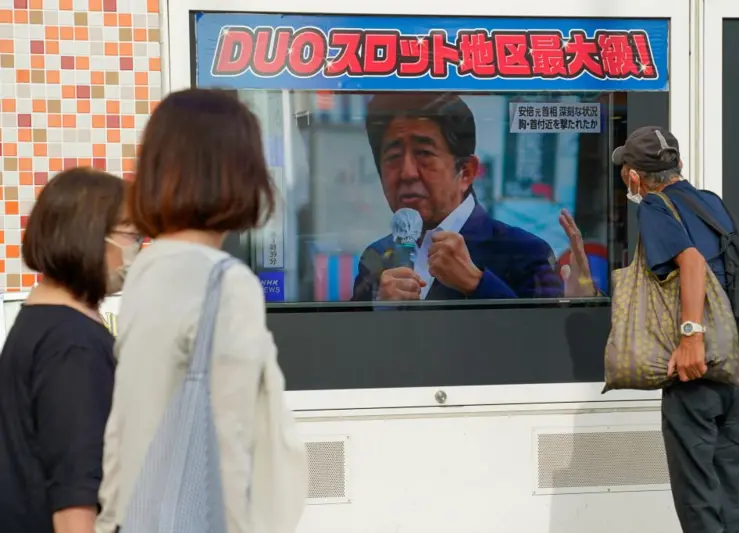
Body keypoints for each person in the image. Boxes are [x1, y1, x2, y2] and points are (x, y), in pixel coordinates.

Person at [95, 88, 307, 533]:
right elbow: (230, 450)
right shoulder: (223, 282)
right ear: (237, 173)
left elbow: (124, 427)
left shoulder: (147, 271)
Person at [613, 126, 739, 533]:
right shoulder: (711, 203)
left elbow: (692, 262)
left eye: (626, 170)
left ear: (636, 176)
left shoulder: (656, 206)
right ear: (678, 163)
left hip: (701, 369)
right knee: (730, 491)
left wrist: (690, 337)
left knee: (698, 498)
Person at [0, 167, 140, 533]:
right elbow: (75, 500)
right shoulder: (72, 344)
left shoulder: (39, 322)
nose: (136, 249)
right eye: (130, 234)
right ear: (90, 237)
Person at [352, 92, 595, 302]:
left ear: (466, 172)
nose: (407, 173)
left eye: (424, 153)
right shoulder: (375, 258)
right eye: (393, 156)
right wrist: (377, 310)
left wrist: (477, 283)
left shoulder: (526, 252)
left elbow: (546, 341)